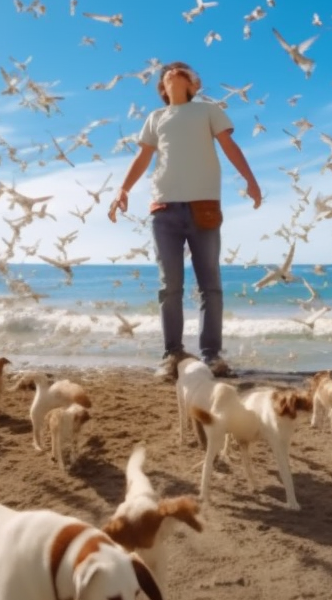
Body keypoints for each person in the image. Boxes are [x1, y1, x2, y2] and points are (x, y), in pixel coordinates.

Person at [108, 62, 262, 379]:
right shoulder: (155, 118)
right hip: (163, 208)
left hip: (204, 205)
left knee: (211, 286)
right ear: (162, 88)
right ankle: (173, 356)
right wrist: (123, 189)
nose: (173, 71)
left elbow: (230, 146)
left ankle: (212, 357)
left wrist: (251, 180)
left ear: (193, 84)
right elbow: (143, 157)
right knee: (170, 288)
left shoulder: (208, 110)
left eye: (182, 71)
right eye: (167, 73)